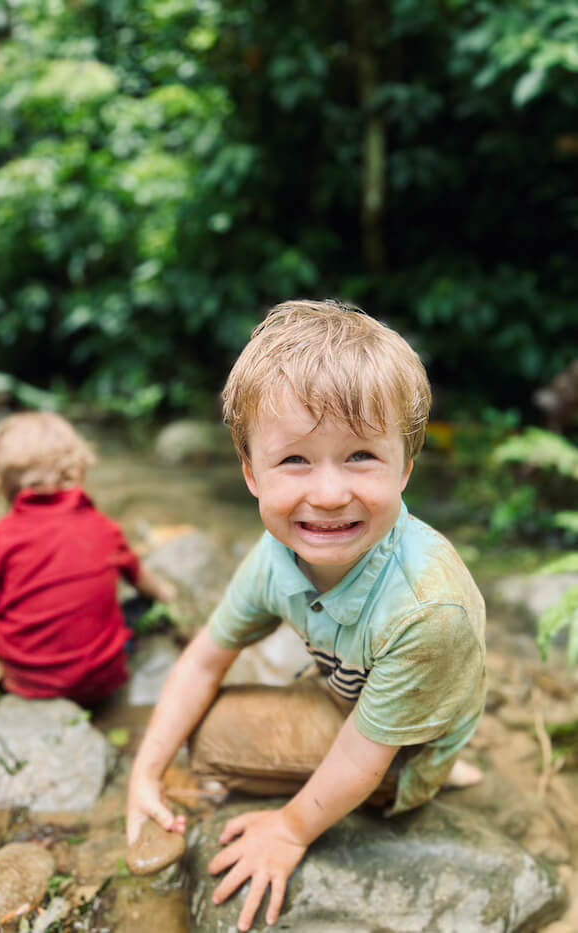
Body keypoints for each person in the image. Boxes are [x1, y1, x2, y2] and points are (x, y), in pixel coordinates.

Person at [126, 300, 486, 932]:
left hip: (387, 744)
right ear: (251, 474)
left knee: (210, 741)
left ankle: (430, 769)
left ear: (405, 466)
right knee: (195, 716)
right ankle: (436, 747)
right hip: (355, 699)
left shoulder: (428, 607)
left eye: (361, 457)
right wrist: (144, 771)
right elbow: (207, 655)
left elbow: (361, 752)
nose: (327, 494)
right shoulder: (276, 555)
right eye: (294, 460)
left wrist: (289, 832)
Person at [0, 412, 175, 736]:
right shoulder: (105, 529)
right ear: (78, 471)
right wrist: (166, 592)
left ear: (5, 484)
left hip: (27, 680)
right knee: (133, 611)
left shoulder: (1, 537)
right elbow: (145, 582)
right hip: (100, 683)